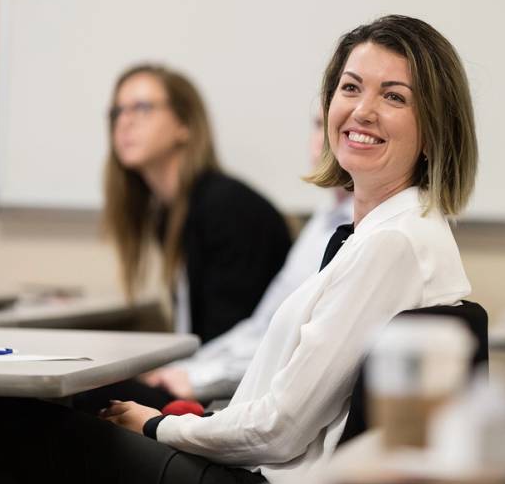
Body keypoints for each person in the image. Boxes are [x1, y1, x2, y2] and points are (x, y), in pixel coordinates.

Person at [0, 15, 479, 484]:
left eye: (394, 97)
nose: (362, 110)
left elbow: (280, 430)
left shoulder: (392, 246)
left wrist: (158, 427)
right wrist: (188, 422)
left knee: (2, 423)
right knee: (25, 425)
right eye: (350, 87)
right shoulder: (385, 234)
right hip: (258, 467)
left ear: (434, 128)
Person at [76, 64, 293, 412]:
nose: (125, 122)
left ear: (184, 125)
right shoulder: (171, 213)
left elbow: (232, 337)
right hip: (202, 381)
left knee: (76, 394)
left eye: (143, 108)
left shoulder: (227, 207)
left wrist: (167, 374)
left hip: (235, 399)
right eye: (117, 111)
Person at [140, 113, 353, 402]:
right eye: (319, 126)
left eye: (342, 128)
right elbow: (262, 327)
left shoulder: (360, 228)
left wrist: (198, 377)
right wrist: (191, 366)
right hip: (237, 383)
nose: (323, 141)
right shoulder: (323, 219)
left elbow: (298, 349)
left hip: (256, 399)